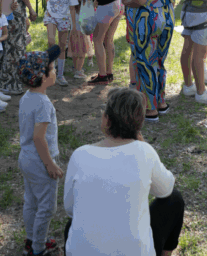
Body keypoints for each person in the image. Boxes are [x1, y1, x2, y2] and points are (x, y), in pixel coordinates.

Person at [64, 88, 184, 256]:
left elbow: (70, 208)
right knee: (174, 199)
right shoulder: (144, 152)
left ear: (106, 120)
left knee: (72, 224)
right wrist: (143, 145)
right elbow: (166, 189)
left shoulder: (80, 155)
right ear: (140, 122)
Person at [123, 0, 177, 121]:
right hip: (168, 17)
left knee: (145, 62)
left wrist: (125, 1)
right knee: (160, 61)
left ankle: (149, 109)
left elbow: (140, 0)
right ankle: (161, 103)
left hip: (148, 21)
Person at [17, 46, 64, 256]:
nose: (54, 71)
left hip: (25, 159)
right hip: (39, 161)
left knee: (31, 202)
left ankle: (31, 239)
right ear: (43, 77)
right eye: (52, 68)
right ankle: (38, 247)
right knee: (47, 207)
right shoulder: (44, 104)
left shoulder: (26, 97)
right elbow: (38, 137)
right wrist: (50, 164)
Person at [77, 0, 124, 85]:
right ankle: (109, 73)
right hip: (119, 2)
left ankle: (102, 76)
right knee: (108, 39)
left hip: (108, 5)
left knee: (97, 40)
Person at [43, 0, 78, 87]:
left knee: (62, 45)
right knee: (51, 42)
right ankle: (49, 70)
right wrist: (51, 11)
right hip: (51, 16)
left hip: (64, 19)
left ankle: (60, 75)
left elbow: (72, 8)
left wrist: (73, 25)